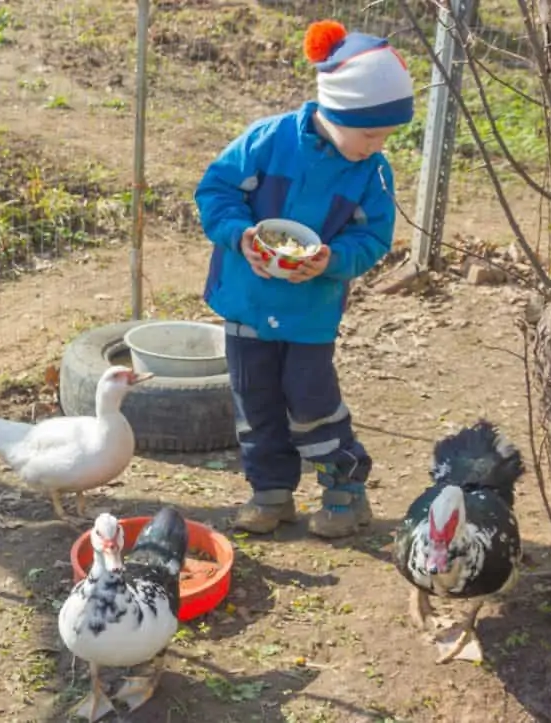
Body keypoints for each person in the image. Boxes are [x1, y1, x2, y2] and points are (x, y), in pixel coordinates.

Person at [193, 19, 414, 538]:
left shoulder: (372, 173)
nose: (376, 144)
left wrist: (333, 258)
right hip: (247, 301)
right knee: (255, 402)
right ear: (333, 112)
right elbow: (215, 190)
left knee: (311, 401)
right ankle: (269, 492)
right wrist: (239, 236)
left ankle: (345, 489)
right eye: (369, 133)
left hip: (310, 313)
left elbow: (374, 241)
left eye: (384, 135)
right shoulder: (267, 142)